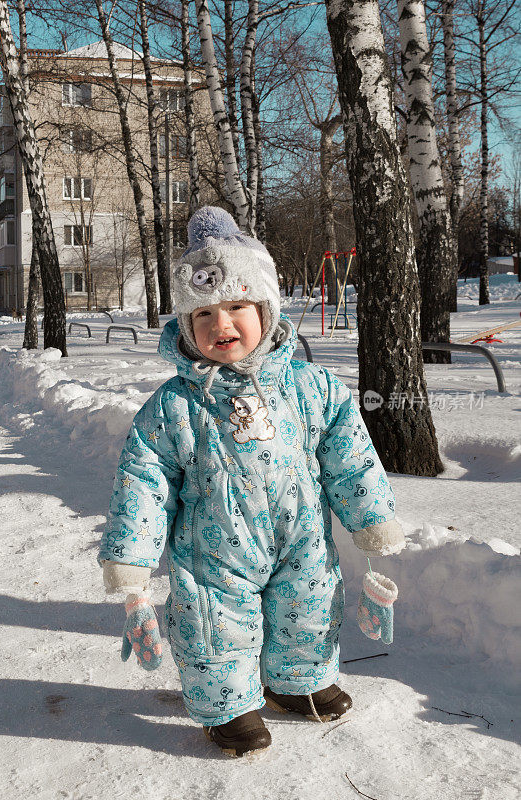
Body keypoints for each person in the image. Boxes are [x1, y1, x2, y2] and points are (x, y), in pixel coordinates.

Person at [98, 206, 405, 757]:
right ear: (186, 329)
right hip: (215, 549)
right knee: (216, 623)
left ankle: (296, 682)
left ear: (265, 309)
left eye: (237, 307)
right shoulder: (174, 406)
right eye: (204, 315)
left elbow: (350, 455)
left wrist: (371, 517)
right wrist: (132, 560)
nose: (222, 325)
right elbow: (143, 482)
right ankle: (229, 706)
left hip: (301, 535)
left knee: (308, 606)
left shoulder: (313, 387)